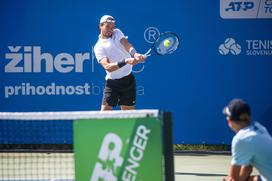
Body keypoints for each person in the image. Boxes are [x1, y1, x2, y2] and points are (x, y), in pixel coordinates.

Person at [94, 15, 146, 111]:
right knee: (104, 116)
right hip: (112, 83)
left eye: (112, 27)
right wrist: (126, 61)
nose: (111, 29)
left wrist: (135, 54)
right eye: (107, 26)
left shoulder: (117, 33)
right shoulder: (98, 47)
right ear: (100, 26)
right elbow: (108, 67)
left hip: (128, 80)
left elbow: (126, 44)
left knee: (129, 115)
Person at [222, 98, 272, 181]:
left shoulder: (241, 139)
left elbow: (233, 178)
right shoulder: (258, 126)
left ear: (230, 120)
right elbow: (247, 170)